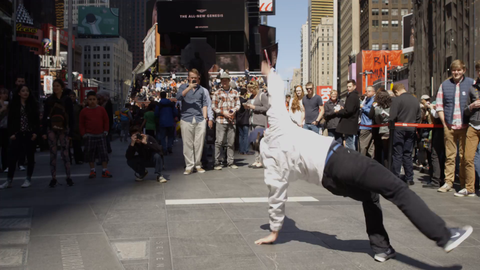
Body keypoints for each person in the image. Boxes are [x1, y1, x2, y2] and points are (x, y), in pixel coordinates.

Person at [253, 62, 473, 263]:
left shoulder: (271, 166)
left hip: (330, 182)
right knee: (397, 188)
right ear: (265, 132)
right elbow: (276, 91)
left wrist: (275, 230)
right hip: (338, 159)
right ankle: (444, 236)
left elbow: (276, 196)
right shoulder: (279, 127)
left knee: (370, 195)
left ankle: (381, 247)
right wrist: (269, 72)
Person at [435, 60, 474, 193]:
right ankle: (448, 182)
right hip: (450, 126)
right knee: (450, 156)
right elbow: (439, 105)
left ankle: (463, 184)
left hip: (465, 126)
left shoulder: (471, 83)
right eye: (454, 70)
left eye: (458, 70)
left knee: (464, 157)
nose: (456, 72)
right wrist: (444, 122)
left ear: (463, 70)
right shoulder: (445, 85)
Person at [0, 85, 39, 189]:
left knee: (30, 157)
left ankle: (28, 179)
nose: (25, 93)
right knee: (12, 157)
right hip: (17, 133)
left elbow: (36, 120)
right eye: (23, 91)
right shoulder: (14, 105)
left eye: (27, 91)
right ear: (19, 93)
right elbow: (11, 120)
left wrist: (35, 132)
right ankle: (9, 180)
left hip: (29, 133)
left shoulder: (32, 104)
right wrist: (11, 133)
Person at [42, 79, 74, 188]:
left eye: (57, 86)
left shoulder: (67, 100)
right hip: (51, 128)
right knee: (53, 153)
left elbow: (72, 116)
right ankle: (53, 178)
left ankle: (68, 177)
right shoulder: (49, 100)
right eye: (54, 85)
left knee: (65, 153)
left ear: (62, 87)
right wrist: (44, 131)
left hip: (64, 129)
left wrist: (71, 133)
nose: (55, 88)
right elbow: (45, 115)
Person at [176, 69, 209, 175]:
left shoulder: (202, 90)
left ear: (199, 78)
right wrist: (189, 88)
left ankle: (198, 165)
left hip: (199, 118)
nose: (194, 79)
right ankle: (189, 165)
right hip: (186, 118)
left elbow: (204, 103)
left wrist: (205, 117)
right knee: (187, 143)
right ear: (188, 78)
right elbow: (178, 97)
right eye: (192, 77)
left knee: (199, 143)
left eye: (195, 77)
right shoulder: (183, 87)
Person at [389, 83, 421, 185]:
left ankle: (396, 177)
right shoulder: (415, 100)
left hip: (399, 128)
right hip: (411, 128)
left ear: (396, 91)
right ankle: (409, 177)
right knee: (408, 153)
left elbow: (392, 116)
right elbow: (419, 116)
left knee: (398, 153)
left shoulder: (397, 100)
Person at [79, 91, 112, 179]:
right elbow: (81, 124)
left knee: (104, 154)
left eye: (94, 99)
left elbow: (106, 121)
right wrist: (83, 134)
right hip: (89, 136)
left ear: (97, 100)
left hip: (101, 135)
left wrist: (106, 131)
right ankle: (92, 170)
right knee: (90, 154)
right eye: (90, 99)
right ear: (87, 100)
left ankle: (105, 170)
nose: (92, 101)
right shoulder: (84, 111)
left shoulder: (101, 109)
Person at [211, 72, 241, 170]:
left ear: (229, 81)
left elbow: (238, 105)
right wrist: (223, 112)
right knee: (219, 142)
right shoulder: (217, 93)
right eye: (222, 80)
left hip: (232, 121)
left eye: (226, 80)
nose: (224, 82)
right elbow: (213, 107)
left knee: (231, 142)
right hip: (221, 120)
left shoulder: (235, 93)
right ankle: (216, 162)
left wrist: (233, 111)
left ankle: (230, 162)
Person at [462, 60, 480, 197]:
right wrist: (472, 106)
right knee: (468, 157)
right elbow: (465, 110)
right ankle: (470, 188)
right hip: (473, 125)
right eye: (479, 70)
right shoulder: (472, 88)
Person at [244, 80, 269, 169]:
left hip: (260, 122)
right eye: (249, 89)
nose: (250, 91)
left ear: (255, 88)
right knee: (254, 142)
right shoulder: (251, 96)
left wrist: (254, 107)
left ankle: (261, 161)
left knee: (258, 142)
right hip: (252, 121)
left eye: (251, 89)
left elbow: (267, 108)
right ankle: (256, 160)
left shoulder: (262, 96)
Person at [336, 80, 360, 150]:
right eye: (347, 87)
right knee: (349, 142)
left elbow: (349, 110)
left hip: (349, 123)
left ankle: (352, 158)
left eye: (350, 86)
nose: (348, 88)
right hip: (351, 123)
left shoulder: (352, 96)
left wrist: (339, 111)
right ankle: (352, 157)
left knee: (349, 143)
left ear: (354, 87)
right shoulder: (354, 95)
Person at [370, 90, 392, 168]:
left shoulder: (378, 108)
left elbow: (377, 120)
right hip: (392, 130)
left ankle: (386, 169)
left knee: (385, 152)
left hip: (383, 130)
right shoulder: (393, 106)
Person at [359, 86, 376, 157]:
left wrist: (363, 107)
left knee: (363, 146)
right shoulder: (367, 99)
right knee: (370, 147)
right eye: (366, 91)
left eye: (369, 91)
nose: (367, 93)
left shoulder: (373, 100)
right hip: (366, 125)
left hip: (367, 125)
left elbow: (371, 112)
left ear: (373, 92)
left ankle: (362, 162)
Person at [70, 92, 84, 165]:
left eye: (73, 96)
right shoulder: (65, 106)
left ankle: (78, 159)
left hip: (76, 127)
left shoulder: (78, 106)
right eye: (70, 96)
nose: (72, 98)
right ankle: (69, 159)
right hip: (68, 127)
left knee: (77, 145)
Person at [236, 87, 251, 155]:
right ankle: (246, 150)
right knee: (245, 135)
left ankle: (241, 150)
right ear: (245, 93)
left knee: (240, 135)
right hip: (245, 120)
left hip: (238, 120)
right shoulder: (245, 101)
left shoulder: (237, 101)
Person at [0, 88, 9, 172]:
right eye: (3, 93)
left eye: (6, 93)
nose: (5, 95)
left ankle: (5, 165)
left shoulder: (8, 103)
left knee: (5, 147)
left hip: (6, 127)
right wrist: (3, 108)